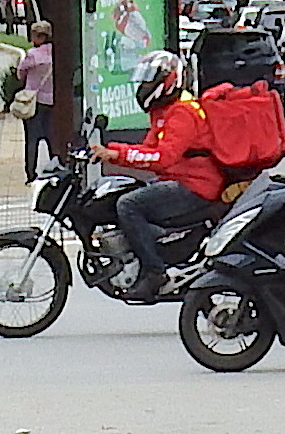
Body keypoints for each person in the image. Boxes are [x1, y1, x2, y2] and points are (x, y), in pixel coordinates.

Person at [89, 51, 227, 302]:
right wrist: (113, 152)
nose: (144, 87)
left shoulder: (182, 112)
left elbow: (163, 157)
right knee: (125, 191)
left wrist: (115, 153)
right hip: (177, 179)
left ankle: (155, 272)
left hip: (195, 185)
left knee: (129, 204)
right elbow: (149, 150)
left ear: (167, 81)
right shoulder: (163, 112)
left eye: (149, 81)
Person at [15, 22, 57, 181]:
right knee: (51, 136)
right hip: (52, 100)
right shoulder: (55, 53)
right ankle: (56, 165)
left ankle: (30, 173)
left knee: (31, 138)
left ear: (40, 37)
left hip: (33, 101)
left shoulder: (32, 55)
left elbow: (20, 73)